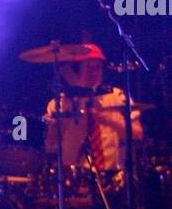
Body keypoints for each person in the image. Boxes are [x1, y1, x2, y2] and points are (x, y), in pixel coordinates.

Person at [44, 44, 144, 175]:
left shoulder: (118, 96)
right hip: (75, 176)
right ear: (77, 70)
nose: (94, 72)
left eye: (98, 67)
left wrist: (110, 120)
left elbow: (138, 135)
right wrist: (64, 114)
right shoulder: (60, 102)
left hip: (112, 175)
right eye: (89, 67)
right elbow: (50, 143)